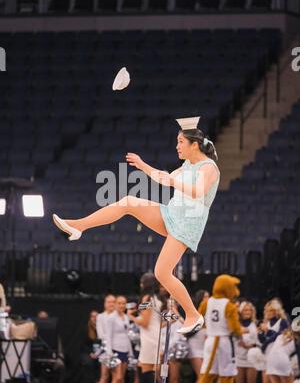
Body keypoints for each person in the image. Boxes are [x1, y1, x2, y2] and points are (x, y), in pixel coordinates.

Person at [52, 117, 220, 335]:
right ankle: (78, 226)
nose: (177, 146)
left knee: (162, 272)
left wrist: (172, 181)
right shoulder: (188, 165)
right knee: (129, 202)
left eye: (180, 142)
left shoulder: (209, 167)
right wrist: (143, 166)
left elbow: (198, 191)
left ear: (194, 145)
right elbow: (163, 178)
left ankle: (193, 314)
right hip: (172, 213)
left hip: (189, 221)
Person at [194, 274, 246, 383]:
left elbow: (198, 319)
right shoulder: (229, 305)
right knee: (227, 375)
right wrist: (241, 334)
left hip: (210, 340)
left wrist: (209, 327)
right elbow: (234, 327)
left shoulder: (207, 302)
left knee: (207, 374)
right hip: (224, 342)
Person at [127, 273, 163, 383]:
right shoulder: (156, 299)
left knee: (146, 373)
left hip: (149, 338)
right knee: (143, 372)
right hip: (153, 336)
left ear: (145, 284)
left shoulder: (147, 298)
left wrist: (130, 316)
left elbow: (145, 322)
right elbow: (152, 318)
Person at [104, 295, 133, 383]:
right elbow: (108, 336)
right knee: (117, 378)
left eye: (123, 303)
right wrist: (109, 352)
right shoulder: (111, 318)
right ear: (115, 304)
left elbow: (128, 335)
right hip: (115, 350)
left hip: (125, 349)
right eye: (119, 303)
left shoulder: (126, 317)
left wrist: (130, 352)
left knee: (122, 379)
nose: (121, 306)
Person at [235, 301, 258, 383]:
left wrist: (251, 345)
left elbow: (259, 341)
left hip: (252, 358)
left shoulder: (255, 324)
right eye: (245, 310)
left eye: (249, 310)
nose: (247, 312)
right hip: (239, 357)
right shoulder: (236, 324)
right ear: (241, 311)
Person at [96, 294, 116, 383]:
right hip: (105, 349)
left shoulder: (119, 316)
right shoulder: (100, 317)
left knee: (117, 377)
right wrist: (109, 343)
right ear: (105, 303)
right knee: (105, 375)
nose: (111, 304)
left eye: (113, 302)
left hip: (118, 348)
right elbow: (101, 334)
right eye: (109, 302)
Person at [79, 309, 101, 383]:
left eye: (96, 316)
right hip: (88, 352)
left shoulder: (102, 329)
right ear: (90, 318)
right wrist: (90, 353)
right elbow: (83, 345)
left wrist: (98, 353)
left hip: (100, 353)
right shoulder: (86, 329)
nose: (95, 318)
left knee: (101, 364)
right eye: (93, 316)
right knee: (89, 363)